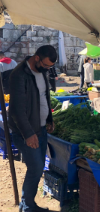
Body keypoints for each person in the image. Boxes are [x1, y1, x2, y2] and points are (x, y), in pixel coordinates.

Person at [9, 45, 57, 212]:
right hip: (26, 132)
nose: (47, 69)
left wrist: (49, 119)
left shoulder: (43, 72)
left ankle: (29, 204)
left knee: (37, 168)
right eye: (45, 65)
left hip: (41, 129)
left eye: (50, 67)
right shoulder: (19, 75)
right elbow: (16, 109)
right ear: (37, 58)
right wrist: (28, 134)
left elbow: (44, 97)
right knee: (36, 167)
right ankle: (27, 206)